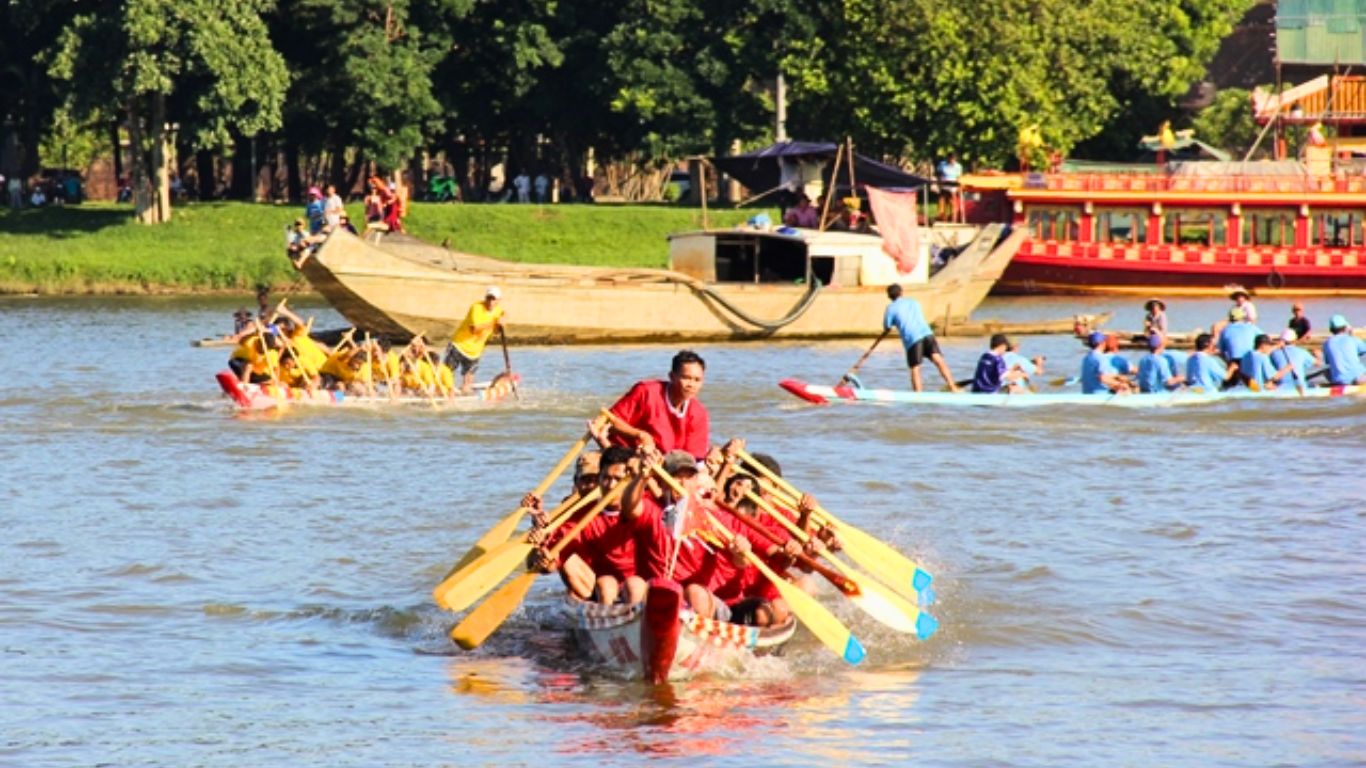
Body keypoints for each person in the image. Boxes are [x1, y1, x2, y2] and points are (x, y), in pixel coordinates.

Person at [605, 350, 710, 458]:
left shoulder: (699, 413)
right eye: (686, 378)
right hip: (622, 457)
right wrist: (640, 435)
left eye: (697, 380)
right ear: (671, 376)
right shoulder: (646, 392)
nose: (691, 385)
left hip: (664, 465)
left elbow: (693, 458)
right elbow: (607, 421)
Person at [884, 283, 957, 392]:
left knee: (915, 368)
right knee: (939, 360)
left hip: (912, 339)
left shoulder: (890, 308)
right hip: (927, 334)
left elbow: (887, 326)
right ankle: (953, 387)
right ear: (901, 293)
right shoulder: (913, 302)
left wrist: (892, 323)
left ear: (889, 296)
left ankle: (918, 394)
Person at [444, 286, 505, 394]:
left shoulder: (498, 311)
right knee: (446, 373)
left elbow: (499, 324)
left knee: (468, 381)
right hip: (459, 346)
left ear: (498, 301)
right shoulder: (476, 307)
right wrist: (494, 323)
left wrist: (502, 323)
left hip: (475, 352)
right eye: (488, 298)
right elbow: (474, 329)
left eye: (493, 299)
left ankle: (464, 396)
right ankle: (445, 391)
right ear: (485, 298)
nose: (490, 302)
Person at [1322, 314, 1366, 385]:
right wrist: (1352, 335)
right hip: (1358, 378)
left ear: (1331, 329)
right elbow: (1363, 350)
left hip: (1340, 381)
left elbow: (1328, 362)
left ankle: (1339, 382)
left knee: (1326, 371)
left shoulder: (1326, 343)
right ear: (1345, 327)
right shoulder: (1352, 339)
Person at [936, 153, 962, 220]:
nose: (951, 160)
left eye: (953, 159)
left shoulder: (958, 166)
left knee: (952, 201)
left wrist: (958, 187)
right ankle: (941, 216)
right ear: (948, 158)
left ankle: (954, 217)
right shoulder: (942, 164)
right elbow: (938, 174)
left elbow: (958, 177)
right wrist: (939, 182)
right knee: (941, 200)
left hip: (953, 184)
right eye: (950, 158)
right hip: (944, 183)